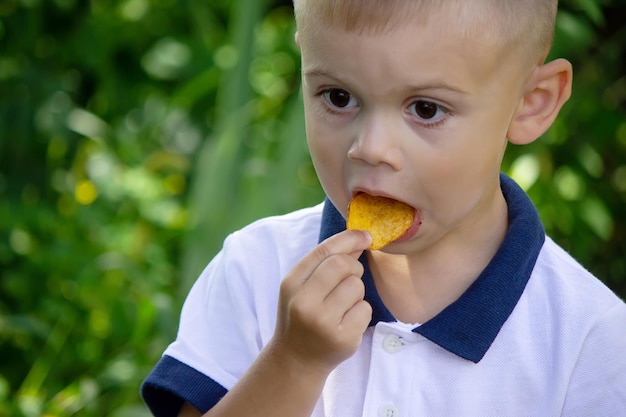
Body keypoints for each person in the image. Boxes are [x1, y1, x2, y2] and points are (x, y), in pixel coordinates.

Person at [141, 0, 626, 415]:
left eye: (426, 109)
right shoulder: (256, 269)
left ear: (530, 103)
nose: (370, 148)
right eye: (338, 97)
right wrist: (294, 361)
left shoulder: (589, 339)